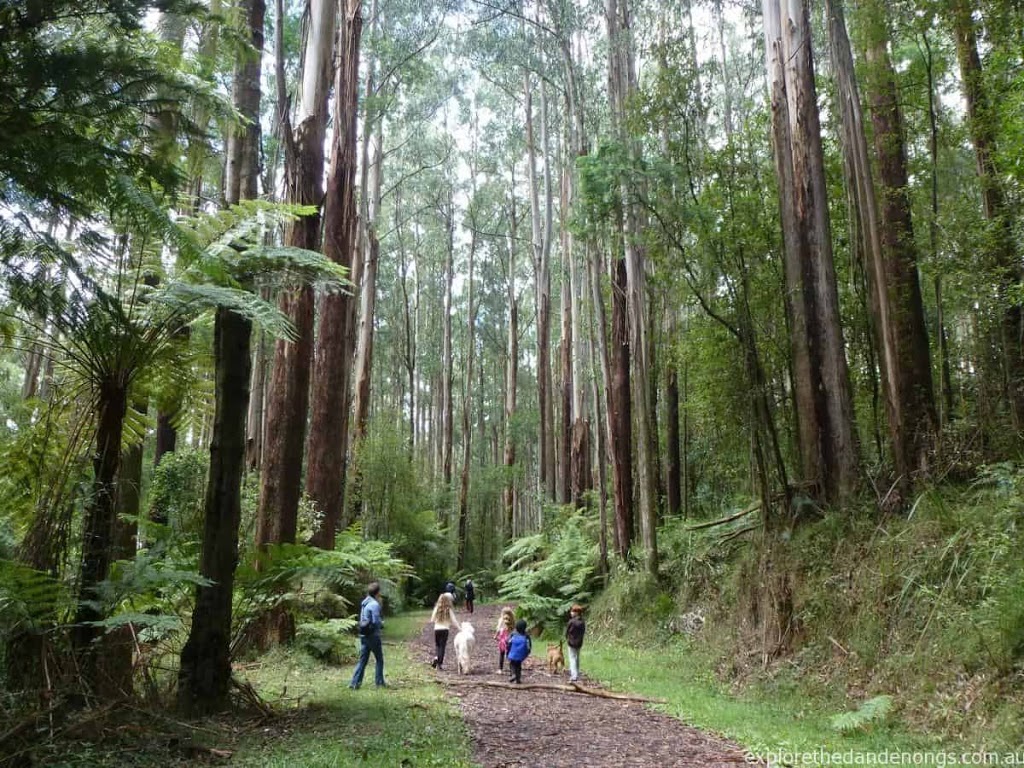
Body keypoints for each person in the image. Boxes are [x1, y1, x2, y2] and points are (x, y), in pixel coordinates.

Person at [349, 582, 385, 689]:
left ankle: (354, 683)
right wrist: (381, 624)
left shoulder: (364, 603)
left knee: (362, 661)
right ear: (377, 593)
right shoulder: (374, 604)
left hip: (364, 635)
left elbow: (363, 619)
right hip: (373, 636)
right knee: (379, 659)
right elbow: (375, 621)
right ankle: (379, 683)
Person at [429, 591, 460, 670]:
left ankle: (436, 657)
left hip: (437, 629)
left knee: (437, 645)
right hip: (445, 629)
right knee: (442, 646)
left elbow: (432, 619)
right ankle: (439, 664)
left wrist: (437, 620)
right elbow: (454, 621)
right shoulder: (448, 610)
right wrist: (459, 628)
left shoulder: (437, 608)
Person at [506, 618, 531, 684]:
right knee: (518, 666)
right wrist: (527, 653)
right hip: (521, 655)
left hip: (513, 653)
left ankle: (513, 674)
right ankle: (518, 679)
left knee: (512, 664)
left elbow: (508, 643)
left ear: (516, 627)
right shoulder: (526, 636)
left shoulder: (513, 634)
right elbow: (529, 646)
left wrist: (508, 652)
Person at [565, 603, 586, 683]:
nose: (571, 612)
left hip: (571, 642)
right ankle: (577, 672)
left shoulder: (571, 622)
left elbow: (567, 632)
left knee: (572, 658)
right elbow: (583, 632)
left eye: (572, 611)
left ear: (576, 612)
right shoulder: (582, 622)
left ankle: (574, 675)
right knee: (577, 658)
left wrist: (567, 637)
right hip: (579, 642)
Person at [494, 606, 515, 674]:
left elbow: (498, 629)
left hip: (502, 640)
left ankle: (500, 669)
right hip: (510, 640)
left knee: (502, 654)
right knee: (510, 654)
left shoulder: (501, 619)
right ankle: (512, 670)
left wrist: (495, 636)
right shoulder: (512, 620)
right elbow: (514, 630)